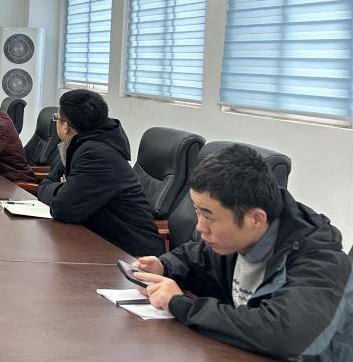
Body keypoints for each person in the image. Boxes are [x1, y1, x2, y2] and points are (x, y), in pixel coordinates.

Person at [131, 145, 352, 361]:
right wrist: (164, 266)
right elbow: (193, 256)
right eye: (197, 212)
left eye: (208, 216)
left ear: (256, 219)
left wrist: (180, 304)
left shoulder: (320, 262)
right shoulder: (235, 240)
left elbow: (282, 333)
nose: (200, 227)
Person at [36, 89, 163, 256]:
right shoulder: (78, 145)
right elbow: (44, 186)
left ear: (65, 127)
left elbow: (62, 208)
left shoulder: (96, 155)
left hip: (131, 255)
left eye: (56, 118)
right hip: (97, 241)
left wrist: (65, 191)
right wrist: (65, 190)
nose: (56, 122)